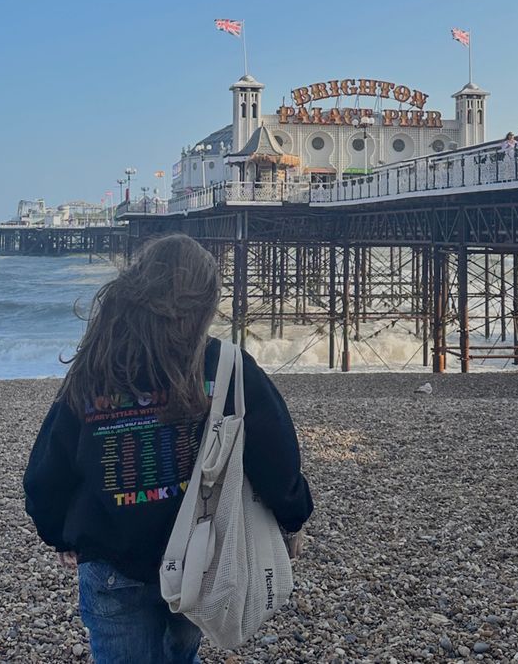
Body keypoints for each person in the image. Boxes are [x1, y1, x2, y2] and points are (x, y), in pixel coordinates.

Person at [24, 234, 313, 664]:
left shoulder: (98, 365)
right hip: (199, 558)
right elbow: (276, 455)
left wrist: (58, 532)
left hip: (110, 562)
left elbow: (49, 469)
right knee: (180, 653)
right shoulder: (226, 366)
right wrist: (292, 518)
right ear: (205, 301)